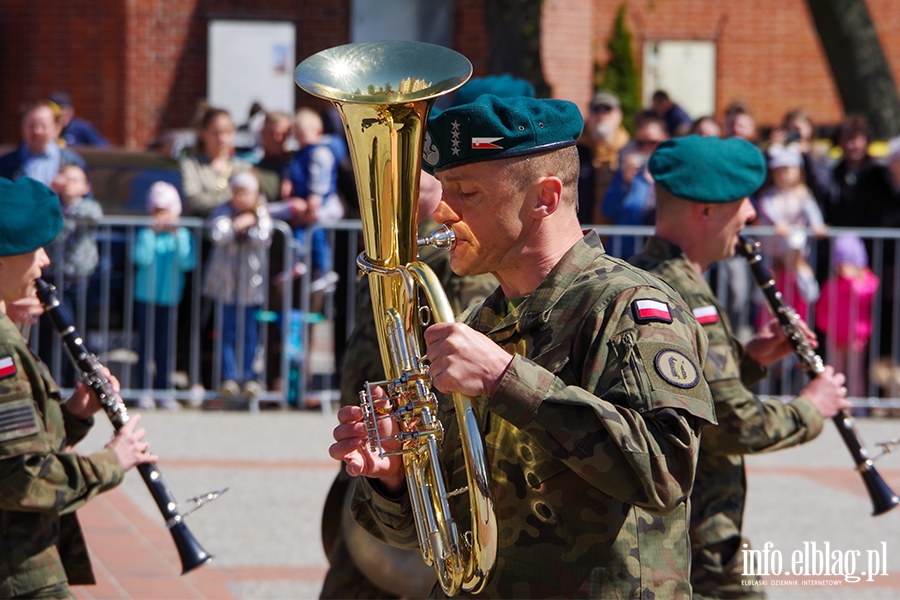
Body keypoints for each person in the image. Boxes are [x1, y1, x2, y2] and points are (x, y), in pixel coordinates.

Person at [331, 95, 716, 598]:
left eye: (467, 191)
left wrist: (505, 379)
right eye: (444, 189)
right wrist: (396, 479)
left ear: (544, 198)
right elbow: (427, 537)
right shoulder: (478, 321)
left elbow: (665, 472)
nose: (443, 210)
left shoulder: (629, 307)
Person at [627, 135, 851, 598]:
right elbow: (731, 423)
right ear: (705, 212)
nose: (751, 215)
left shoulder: (650, 273)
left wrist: (750, 360)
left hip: (688, 528)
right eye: (741, 203)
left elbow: (685, 397)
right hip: (698, 536)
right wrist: (812, 406)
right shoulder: (684, 294)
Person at [319, 171, 499, 599]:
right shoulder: (391, 252)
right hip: (379, 450)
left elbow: (460, 362)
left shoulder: (451, 254)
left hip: (421, 463)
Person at [0, 176, 156, 598]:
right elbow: (22, 479)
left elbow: (13, 447)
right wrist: (111, 462)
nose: (45, 261)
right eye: (35, 248)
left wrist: (75, 413)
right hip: (17, 574)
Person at [202, 171, 272, 402]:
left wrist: (251, 222)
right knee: (227, 331)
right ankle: (229, 377)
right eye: (236, 191)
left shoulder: (261, 212)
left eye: (245, 192)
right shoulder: (223, 210)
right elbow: (218, 234)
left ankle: (249, 376)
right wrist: (236, 224)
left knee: (250, 333)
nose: (239, 197)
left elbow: (264, 237)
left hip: (251, 285)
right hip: (226, 284)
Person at [133, 181, 196, 410]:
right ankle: (143, 390)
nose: (162, 217)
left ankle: (164, 391)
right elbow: (142, 259)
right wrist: (151, 234)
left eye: (166, 212)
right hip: (145, 297)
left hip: (170, 298)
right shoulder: (145, 233)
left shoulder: (183, 234)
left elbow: (187, 262)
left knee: (165, 346)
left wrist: (177, 235)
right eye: (157, 212)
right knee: (146, 345)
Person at [39, 164, 103, 387]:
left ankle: (75, 381)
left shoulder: (87, 207)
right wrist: (51, 194)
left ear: (86, 187)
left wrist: (66, 212)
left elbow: (93, 215)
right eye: (66, 178)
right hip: (54, 280)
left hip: (80, 282)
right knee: (53, 335)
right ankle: (53, 381)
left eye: (75, 179)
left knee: (77, 334)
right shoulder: (52, 206)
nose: (69, 183)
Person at [282, 107, 346, 280]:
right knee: (299, 230)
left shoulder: (319, 152)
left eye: (304, 135)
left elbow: (321, 175)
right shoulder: (300, 153)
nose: (301, 139)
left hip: (319, 200)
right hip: (304, 198)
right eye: (298, 135)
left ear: (318, 132)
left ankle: (323, 268)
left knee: (317, 232)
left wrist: (315, 196)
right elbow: (293, 170)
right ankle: (299, 261)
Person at [815, 235, 879, 399]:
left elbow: (863, 298)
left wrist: (852, 279)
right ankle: (834, 404)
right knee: (835, 373)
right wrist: (829, 326)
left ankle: (858, 406)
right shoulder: (832, 284)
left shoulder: (868, 281)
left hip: (855, 337)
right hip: (835, 336)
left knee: (855, 373)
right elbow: (821, 308)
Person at [601, 113, 668, 257]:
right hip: (627, 257)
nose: (646, 148)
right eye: (640, 143)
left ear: (665, 140)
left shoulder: (672, 175)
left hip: (660, 258)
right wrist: (625, 182)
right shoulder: (626, 174)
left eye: (652, 142)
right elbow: (607, 210)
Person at [180, 106, 252, 218]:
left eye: (227, 132)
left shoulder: (243, 167)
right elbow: (194, 200)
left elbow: (252, 200)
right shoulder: (192, 165)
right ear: (204, 134)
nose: (222, 139)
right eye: (216, 133)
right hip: (203, 233)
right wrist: (232, 198)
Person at [0, 100, 88, 187]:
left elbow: (85, 200)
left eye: (43, 126)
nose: (37, 131)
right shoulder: (5, 164)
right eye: (32, 126)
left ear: (57, 128)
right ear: (22, 127)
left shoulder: (73, 162)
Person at [576, 90, 630, 225]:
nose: (601, 116)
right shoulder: (575, 151)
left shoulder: (628, 151)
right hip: (582, 232)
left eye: (608, 110)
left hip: (616, 236)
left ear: (619, 115)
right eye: (596, 110)